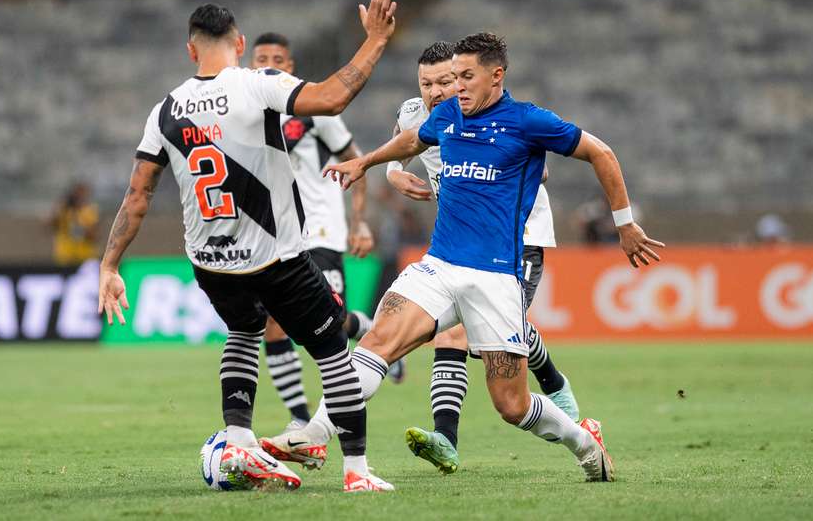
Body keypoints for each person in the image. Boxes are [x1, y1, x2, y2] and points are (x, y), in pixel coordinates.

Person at [265, 33, 665, 482]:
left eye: (466, 77)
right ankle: (315, 432)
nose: (456, 87)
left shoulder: (528, 121)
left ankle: (584, 443)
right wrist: (370, 164)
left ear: (496, 75)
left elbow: (600, 152)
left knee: (511, 406)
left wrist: (625, 224)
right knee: (377, 343)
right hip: (439, 266)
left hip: (496, 278)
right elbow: (412, 140)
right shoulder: (449, 115)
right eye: (453, 77)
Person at [97, 0, 398, 492]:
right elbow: (332, 97)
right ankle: (357, 473)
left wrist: (109, 266)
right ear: (239, 42)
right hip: (275, 256)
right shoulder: (259, 84)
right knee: (331, 351)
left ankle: (238, 439)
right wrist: (375, 41)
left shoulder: (165, 111)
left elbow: (136, 198)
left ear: (190, 50)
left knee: (244, 330)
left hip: (211, 262)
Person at [380, 40, 579, 474]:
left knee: (487, 338)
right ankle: (446, 441)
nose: (435, 91)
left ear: (463, 77)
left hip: (517, 235)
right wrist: (396, 176)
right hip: (461, 243)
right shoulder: (416, 114)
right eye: (426, 83)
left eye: (445, 82)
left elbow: (537, 164)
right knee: (451, 334)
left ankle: (554, 385)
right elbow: (396, 152)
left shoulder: (498, 118)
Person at [248, 31, 389, 432]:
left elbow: (355, 161)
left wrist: (359, 220)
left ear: (290, 67)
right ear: (250, 64)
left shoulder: (313, 109)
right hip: (278, 235)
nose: (270, 63)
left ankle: (379, 341)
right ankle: (297, 418)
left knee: (327, 322)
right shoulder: (244, 113)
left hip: (321, 229)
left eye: (278, 57)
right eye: (262, 58)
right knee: (275, 325)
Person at [50, 182, 99, 265]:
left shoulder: (90, 211)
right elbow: (51, 224)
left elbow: (94, 236)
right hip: (64, 256)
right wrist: (60, 207)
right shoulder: (64, 210)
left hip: (85, 257)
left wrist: (79, 225)